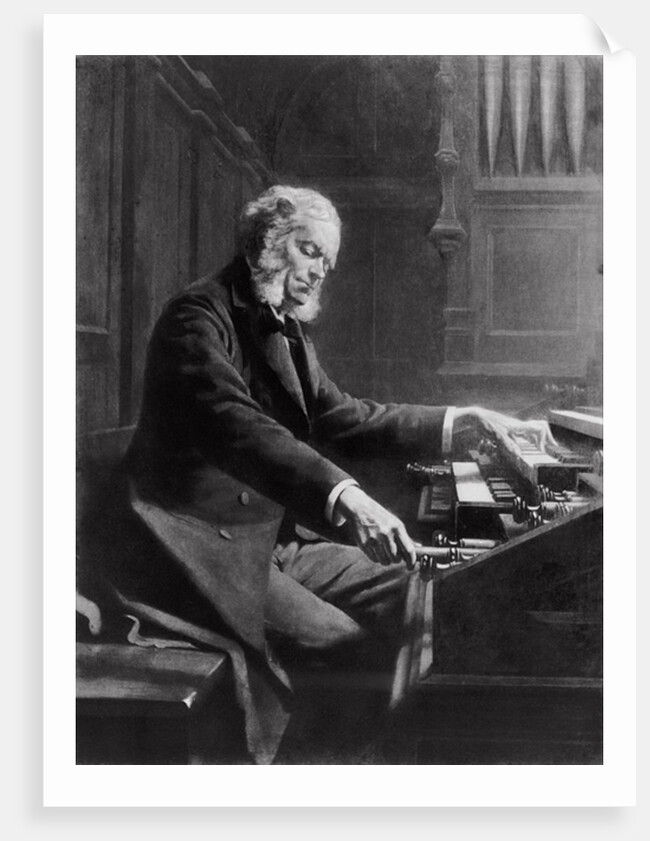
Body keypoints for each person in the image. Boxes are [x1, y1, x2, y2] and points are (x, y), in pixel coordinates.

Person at [110, 185, 554, 761]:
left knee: (423, 597)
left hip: (269, 539)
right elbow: (236, 424)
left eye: (328, 261)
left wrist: (458, 421)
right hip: (193, 549)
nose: (320, 271)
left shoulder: (286, 328)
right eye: (309, 250)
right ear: (267, 241)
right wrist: (345, 496)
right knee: (343, 644)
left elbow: (342, 415)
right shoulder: (195, 317)